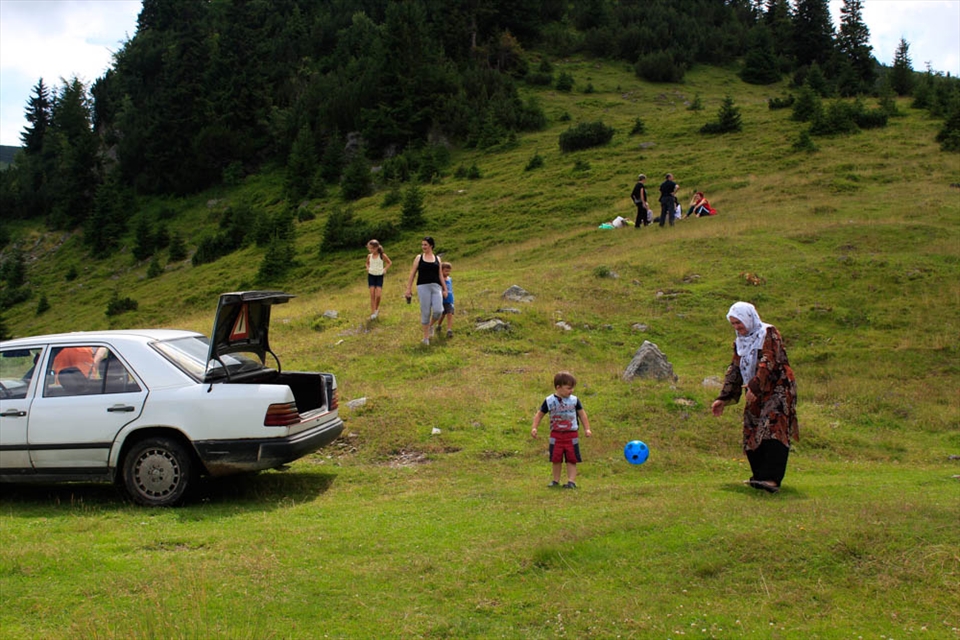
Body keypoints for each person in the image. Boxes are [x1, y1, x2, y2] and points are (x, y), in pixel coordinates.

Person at [711, 302, 799, 494]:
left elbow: (768, 361)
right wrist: (723, 398)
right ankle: (759, 476)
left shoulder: (769, 334)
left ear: (749, 319)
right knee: (752, 427)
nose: (737, 328)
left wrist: (755, 385)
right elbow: (735, 369)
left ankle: (771, 478)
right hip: (755, 390)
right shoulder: (740, 342)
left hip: (778, 389)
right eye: (733, 324)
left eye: (739, 323)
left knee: (772, 427)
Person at [531, 371, 593, 489]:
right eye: (569, 388)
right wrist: (534, 427)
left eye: (572, 388)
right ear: (558, 387)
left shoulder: (574, 400)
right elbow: (539, 414)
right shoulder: (549, 400)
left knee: (571, 458)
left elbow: (582, 415)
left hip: (571, 434)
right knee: (556, 458)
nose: (571, 391)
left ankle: (571, 481)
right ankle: (555, 480)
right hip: (556, 434)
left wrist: (587, 429)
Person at [405, 236, 448, 345]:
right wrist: (408, 289)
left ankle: (430, 325)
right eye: (422, 244)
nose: (423, 247)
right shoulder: (419, 258)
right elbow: (412, 274)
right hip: (423, 286)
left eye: (425, 245)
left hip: (436, 286)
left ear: (431, 246)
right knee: (426, 311)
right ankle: (426, 338)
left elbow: (440, 275)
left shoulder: (437, 259)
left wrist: (445, 289)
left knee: (439, 310)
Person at [365, 239, 392, 320]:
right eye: (369, 248)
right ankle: (373, 312)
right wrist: (367, 268)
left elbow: (389, 262)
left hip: (379, 276)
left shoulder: (382, 255)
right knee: (372, 294)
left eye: (372, 248)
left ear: (376, 248)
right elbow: (367, 263)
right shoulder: (369, 256)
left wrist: (385, 269)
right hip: (371, 276)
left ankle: (376, 309)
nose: (370, 250)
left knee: (378, 295)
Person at [431, 261, 455, 338]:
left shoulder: (449, 279)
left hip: (449, 300)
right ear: (441, 271)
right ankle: (439, 325)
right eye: (446, 271)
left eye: (449, 271)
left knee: (450, 313)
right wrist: (442, 292)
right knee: (442, 314)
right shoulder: (439, 279)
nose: (448, 273)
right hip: (441, 300)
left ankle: (449, 330)